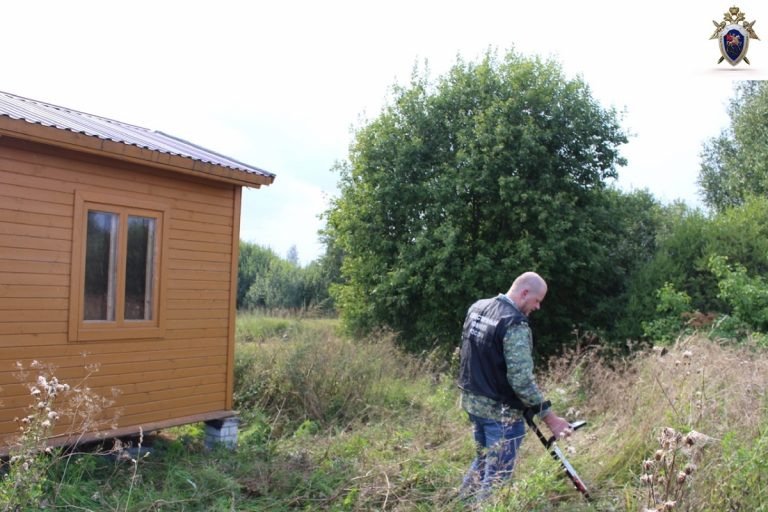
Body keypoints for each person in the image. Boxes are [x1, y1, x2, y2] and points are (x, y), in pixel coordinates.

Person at [457, 271, 572, 500]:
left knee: (483, 462)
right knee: (496, 478)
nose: (538, 307)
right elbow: (521, 380)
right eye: (537, 301)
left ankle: (461, 504)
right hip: (500, 415)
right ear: (525, 293)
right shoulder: (514, 323)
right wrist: (551, 419)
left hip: (472, 403)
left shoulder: (478, 308)